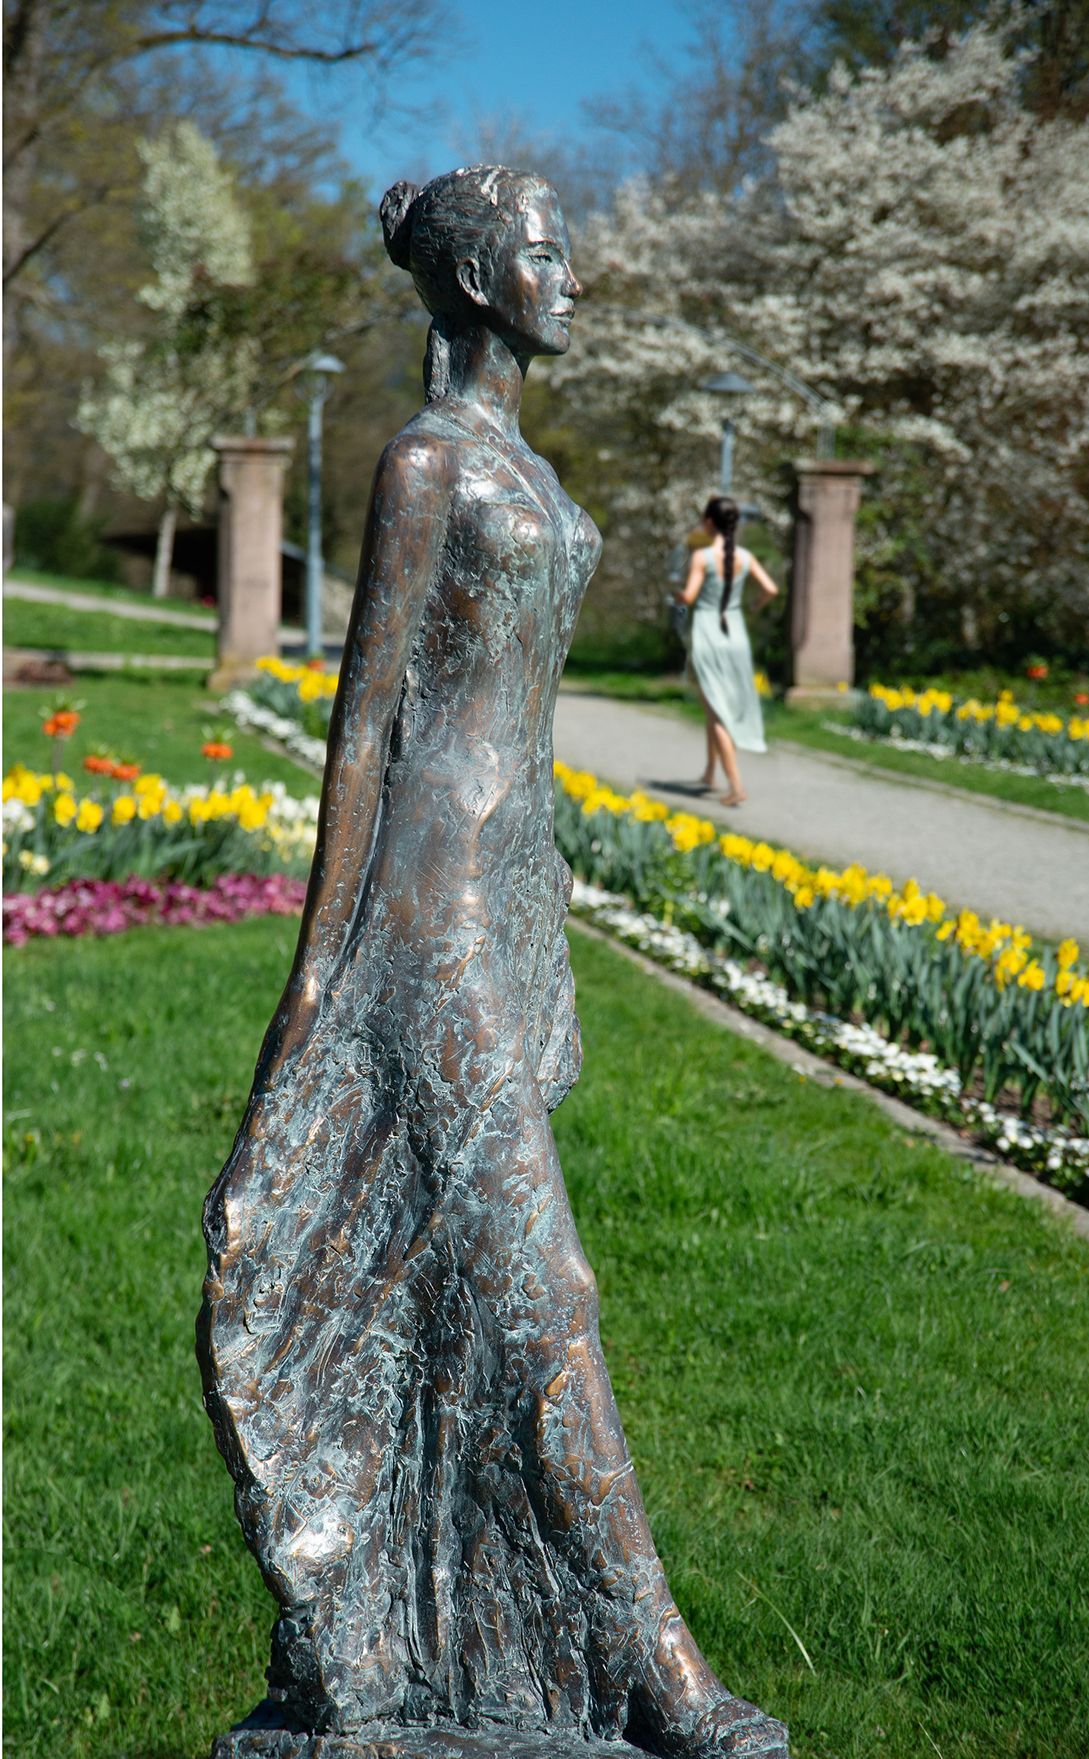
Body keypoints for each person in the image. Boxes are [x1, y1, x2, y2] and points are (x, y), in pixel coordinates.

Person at [198, 166, 788, 1759]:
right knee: (544, 1289)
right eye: (546, 252)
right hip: (424, 917)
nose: (572, 275)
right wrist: (319, 979)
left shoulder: (521, 459)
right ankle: (661, 1670)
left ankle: (457, 1651)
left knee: (472, 1295)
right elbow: (366, 724)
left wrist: (543, 923)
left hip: (509, 904)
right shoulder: (424, 462)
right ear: (471, 280)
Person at [677, 497, 779, 806]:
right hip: (734, 631)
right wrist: (754, 606)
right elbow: (771, 589)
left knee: (715, 711)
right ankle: (710, 772)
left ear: (709, 522)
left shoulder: (702, 557)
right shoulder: (745, 557)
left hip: (709, 631)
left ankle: (736, 787)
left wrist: (676, 593)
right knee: (717, 703)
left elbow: (689, 597)